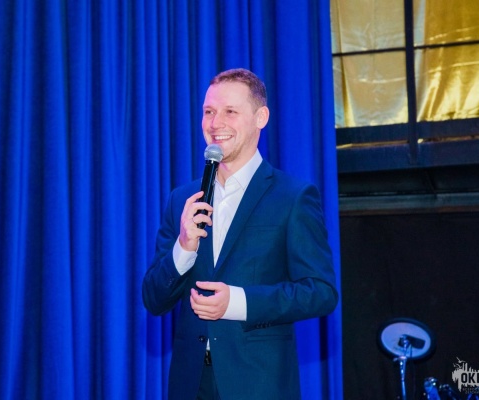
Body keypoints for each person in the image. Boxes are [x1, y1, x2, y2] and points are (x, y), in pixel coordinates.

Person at [142, 68, 338, 400]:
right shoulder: (182, 199)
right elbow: (153, 299)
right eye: (208, 112)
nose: (215, 123)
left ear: (261, 118)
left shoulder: (292, 197)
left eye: (230, 111)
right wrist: (184, 247)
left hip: (258, 385)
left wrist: (237, 303)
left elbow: (320, 292)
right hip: (191, 386)